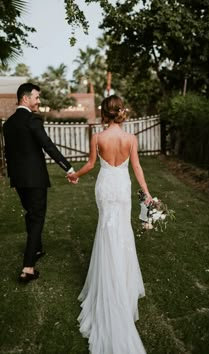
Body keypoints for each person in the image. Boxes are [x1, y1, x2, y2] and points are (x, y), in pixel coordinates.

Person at [68, 95, 152, 353]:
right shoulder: (130, 139)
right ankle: (122, 283)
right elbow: (136, 166)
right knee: (122, 231)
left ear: (105, 113)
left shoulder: (97, 138)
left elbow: (92, 165)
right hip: (122, 187)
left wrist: (74, 175)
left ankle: (110, 281)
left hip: (105, 188)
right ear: (122, 113)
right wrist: (146, 193)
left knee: (107, 231)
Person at [3, 83, 76, 283]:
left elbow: (8, 154)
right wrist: (68, 168)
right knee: (37, 218)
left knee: (31, 214)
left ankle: (36, 249)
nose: (38, 101)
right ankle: (27, 267)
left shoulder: (8, 124)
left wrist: (13, 177)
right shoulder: (32, 120)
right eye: (36, 97)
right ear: (25, 98)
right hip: (35, 179)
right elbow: (48, 146)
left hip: (19, 180)